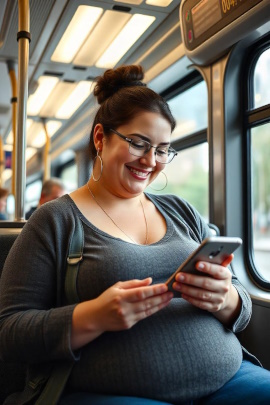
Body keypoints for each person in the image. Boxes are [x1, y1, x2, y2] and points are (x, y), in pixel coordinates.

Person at [0, 65, 270, 405]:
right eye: (139, 144)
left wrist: (225, 299)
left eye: (162, 150)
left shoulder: (180, 211)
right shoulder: (55, 221)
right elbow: (9, 333)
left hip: (231, 378)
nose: (151, 161)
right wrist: (94, 315)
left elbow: (242, 306)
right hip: (114, 393)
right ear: (100, 138)